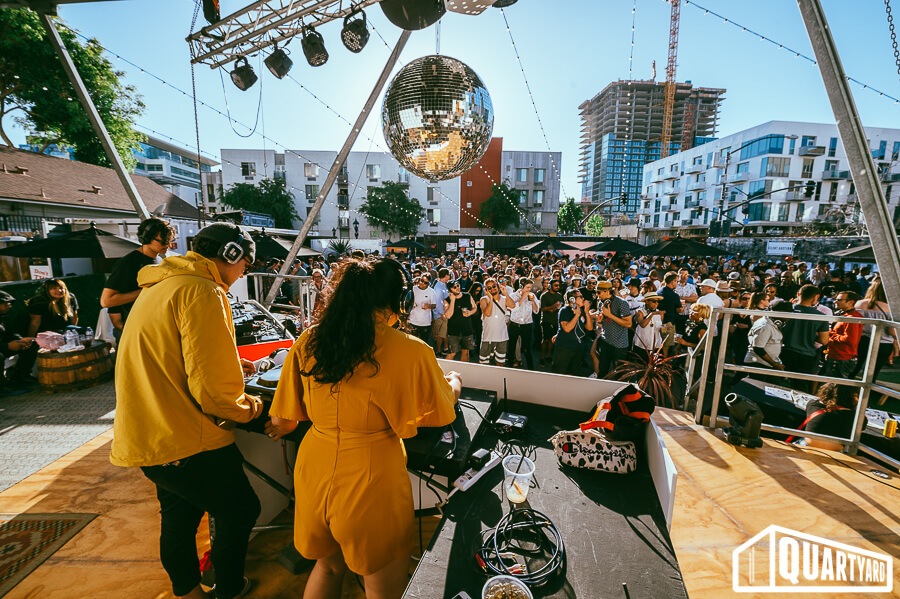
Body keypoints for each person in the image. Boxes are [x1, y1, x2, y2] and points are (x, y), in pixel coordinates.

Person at [265, 259, 461, 599]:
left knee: (327, 567)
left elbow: (284, 422)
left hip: (314, 468)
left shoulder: (309, 340)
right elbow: (441, 412)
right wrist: (454, 383)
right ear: (398, 302)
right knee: (382, 584)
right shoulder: (412, 350)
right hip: (373, 476)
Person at [110, 222, 264, 599]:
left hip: (151, 434)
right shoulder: (202, 289)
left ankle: (188, 593)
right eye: (245, 264)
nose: (244, 272)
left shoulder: (162, 284)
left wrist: (230, 364)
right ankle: (229, 589)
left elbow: (175, 353)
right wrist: (253, 409)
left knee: (179, 518)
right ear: (230, 254)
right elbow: (213, 393)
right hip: (185, 436)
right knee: (240, 509)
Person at [101, 217, 175, 341]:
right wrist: (147, 291)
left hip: (155, 328)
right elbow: (106, 301)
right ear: (146, 238)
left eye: (170, 241)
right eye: (163, 242)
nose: (169, 245)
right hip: (136, 332)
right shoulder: (128, 263)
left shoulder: (160, 261)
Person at [779, 285, 830, 391]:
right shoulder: (821, 316)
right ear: (816, 297)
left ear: (798, 294)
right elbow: (824, 340)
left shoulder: (785, 309)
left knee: (777, 385)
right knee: (799, 388)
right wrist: (811, 336)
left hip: (783, 351)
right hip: (806, 355)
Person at [850, 278, 899, 383]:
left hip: (862, 340)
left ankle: (845, 387)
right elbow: (891, 331)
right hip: (883, 343)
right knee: (873, 373)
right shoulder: (891, 308)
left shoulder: (859, 304)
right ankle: (867, 390)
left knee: (856, 367)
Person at [797, 383, 866, 451]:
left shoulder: (812, 405)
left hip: (807, 446)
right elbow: (856, 434)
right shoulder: (859, 418)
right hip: (835, 452)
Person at [593, 280, 633, 378]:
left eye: (599, 292)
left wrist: (610, 315)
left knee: (619, 373)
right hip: (606, 341)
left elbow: (628, 324)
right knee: (603, 370)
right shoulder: (601, 303)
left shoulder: (622, 303)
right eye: (596, 292)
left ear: (607, 292)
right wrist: (600, 320)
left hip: (620, 344)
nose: (597, 295)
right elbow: (602, 321)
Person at [0, 290, 38, 391]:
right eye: (6, 304)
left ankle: (21, 375)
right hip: (2, 349)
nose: (10, 306)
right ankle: (1, 385)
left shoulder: (4, 317)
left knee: (32, 344)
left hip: (4, 346)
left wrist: (21, 340)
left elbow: (11, 333)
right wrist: (7, 346)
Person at [552, 287, 594, 376]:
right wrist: (576, 316)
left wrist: (587, 312)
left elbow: (589, 328)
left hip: (577, 348)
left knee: (574, 373)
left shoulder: (581, 311)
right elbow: (567, 329)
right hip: (564, 348)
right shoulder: (565, 311)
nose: (583, 298)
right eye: (580, 297)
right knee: (560, 373)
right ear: (572, 299)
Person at [824, 291, 862, 379]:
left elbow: (850, 340)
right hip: (837, 355)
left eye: (839, 300)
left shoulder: (852, 318)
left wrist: (831, 334)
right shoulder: (847, 315)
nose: (835, 301)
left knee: (836, 384)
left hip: (841, 357)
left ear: (851, 302)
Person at [507, 279, 539, 369]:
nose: (529, 289)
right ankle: (509, 366)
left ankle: (530, 369)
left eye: (530, 287)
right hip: (514, 325)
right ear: (521, 286)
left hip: (526, 325)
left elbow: (536, 311)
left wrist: (533, 301)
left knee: (526, 349)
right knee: (511, 347)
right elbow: (512, 309)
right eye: (527, 287)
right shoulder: (513, 296)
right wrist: (522, 298)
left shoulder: (532, 296)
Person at [445, 279, 477, 363]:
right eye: (454, 287)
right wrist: (452, 301)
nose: (457, 288)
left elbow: (475, 308)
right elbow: (448, 315)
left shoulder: (467, 296)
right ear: (450, 290)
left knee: (465, 351)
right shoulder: (447, 300)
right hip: (453, 331)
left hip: (467, 329)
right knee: (452, 353)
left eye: (458, 285)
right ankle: (443, 370)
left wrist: (470, 312)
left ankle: (463, 370)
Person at [539, 280, 564, 368]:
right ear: (550, 286)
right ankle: (542, 357)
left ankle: (548, 356)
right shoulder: (544, 295)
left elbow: (561, 306)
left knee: (551, 340)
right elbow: (542, 309)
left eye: (558, 285)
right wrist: (553, 306)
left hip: (555, 321)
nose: (558, 287)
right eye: (556, 285)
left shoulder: (559, 295)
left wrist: (554, 309)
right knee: (545, 340)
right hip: (546, 321)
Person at [408, 274, 435, 344]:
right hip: (413, 321)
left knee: (423, 343)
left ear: (428, 284)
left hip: (425, 322)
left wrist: (428, 306)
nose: (422, 283)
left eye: (425, 282)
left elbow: (434, 305)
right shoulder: (413, 289)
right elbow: (407, 302)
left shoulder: (431, 291)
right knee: (412, 343)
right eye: (421, 280)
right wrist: (410, 305)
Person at [432, 268, 452, 356]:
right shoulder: (438, 288)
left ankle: (445, 348)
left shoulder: (443, 285)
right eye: (449, 275)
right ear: (446, 275)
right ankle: (439, 351)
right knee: (440, 334)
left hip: (444, 313)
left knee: (444, 333)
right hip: (440, 315)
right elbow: (438, 302)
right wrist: (442, 314)